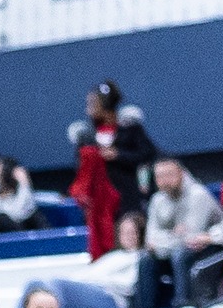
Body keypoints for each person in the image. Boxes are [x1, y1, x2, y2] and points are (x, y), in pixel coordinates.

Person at [24, 212, 145, 308]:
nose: (127, 236)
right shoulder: (114, 256)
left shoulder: (140, 257)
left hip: (111, 298)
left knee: (57, 284)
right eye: (124, 232)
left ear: (140, 234)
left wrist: (97, 279)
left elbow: (128, 287)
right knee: (34, 284)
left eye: (132, 232)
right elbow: (90, 272)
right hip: (92, 288)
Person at [138, 160, 223, 308]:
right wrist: (173, 235)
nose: (165, 181)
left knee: (180, 254)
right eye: (160, 177)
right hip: (176, 253)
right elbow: (149, 241)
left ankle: (182, 307)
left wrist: (163, 239)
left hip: (212, 252)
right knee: (146, 260)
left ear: (182, 174)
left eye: (169, 175)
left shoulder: (198, 194)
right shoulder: (157, 200)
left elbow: (191, 239)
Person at [67, 82, 156, 221]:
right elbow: (80, 168)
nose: (87, 110)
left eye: (92, 104)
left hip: (128, 197)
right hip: (100, 203)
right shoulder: (86, 135)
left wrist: (118, 155)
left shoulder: (129, 128)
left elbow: (147, 154)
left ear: (105, 106)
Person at [0, 160, 39, 235]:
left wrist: (24, 184)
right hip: (2, 241)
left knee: (35, 216)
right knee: (3, 218)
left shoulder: (21, 197)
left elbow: (23, 211)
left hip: (23, 235)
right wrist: (24, 186)